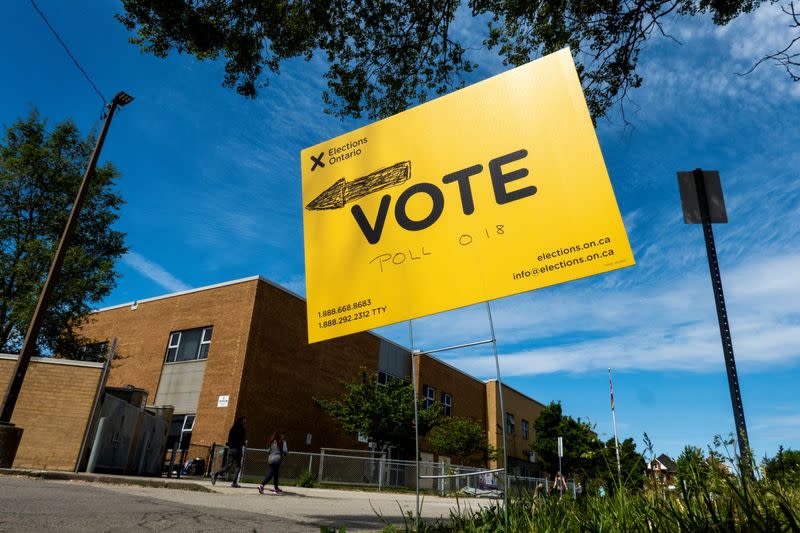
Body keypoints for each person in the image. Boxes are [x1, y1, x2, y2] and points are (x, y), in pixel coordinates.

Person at [211, 416, 247, 487]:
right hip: (238, 449)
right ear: (242, 420)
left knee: (228, 466)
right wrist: (244, 443)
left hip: (231, 449)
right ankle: (234, 483)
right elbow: (241, 440)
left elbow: (229, 439)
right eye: (245, 420)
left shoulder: (232, 428)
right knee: (238, 466)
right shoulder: (241, 429)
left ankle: (216, 474)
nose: (245, 422)